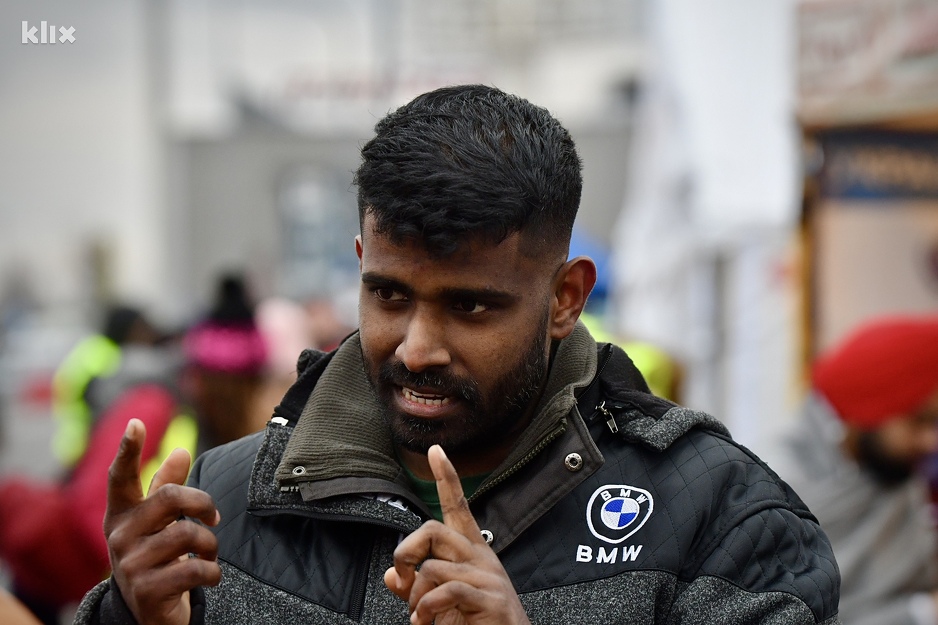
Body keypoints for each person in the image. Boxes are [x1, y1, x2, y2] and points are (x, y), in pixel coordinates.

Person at [75, 85, 839, 624]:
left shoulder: (716, 516)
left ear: (566, 297)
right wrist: (127, 616)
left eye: (470, 305)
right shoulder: (228, 500)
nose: (418, 346)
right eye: (390, 295)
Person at [0, 275, 268, 625]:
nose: (261, 399)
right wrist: (138, 572)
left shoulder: (211, 425)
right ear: (228, 384)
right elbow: (92, 505)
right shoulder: (153, 403)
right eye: (254, 385)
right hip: (62, 580)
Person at [766, 316, 938, 625]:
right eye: (919, 421)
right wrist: (922, 613)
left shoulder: (891, 472)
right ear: (866, 412)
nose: (931, 441)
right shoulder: (771, 490)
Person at [51, 304, 162, 469]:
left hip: (74, 442)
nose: (147, 335)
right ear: (128, 329)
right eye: (141, 328)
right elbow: (101, 402)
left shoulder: (94, 347)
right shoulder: (109, 358)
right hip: (88, 443)